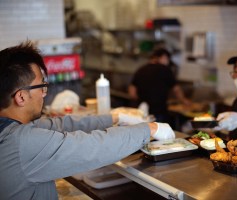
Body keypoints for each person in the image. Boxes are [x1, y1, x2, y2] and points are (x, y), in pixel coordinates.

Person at [0, 41, 175, 200]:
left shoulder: (10, 127)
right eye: (42, 86)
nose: (45, 93)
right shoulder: (20, 143)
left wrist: (114, 117)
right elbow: (93, 146)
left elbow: (61, 125)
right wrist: (149, 129)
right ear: (21, 97)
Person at [128, 48, 191, 125]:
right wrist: (183, 100)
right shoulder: (165, 70)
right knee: (158, 133)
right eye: (167, 59)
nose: (168, 62)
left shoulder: (141, 69)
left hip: (142, 111)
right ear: (163, 57)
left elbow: (132, 92)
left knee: (145, 133)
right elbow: (176, 89)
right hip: (159, 111)